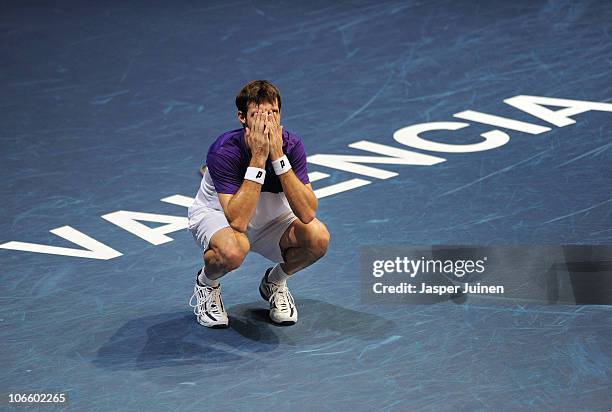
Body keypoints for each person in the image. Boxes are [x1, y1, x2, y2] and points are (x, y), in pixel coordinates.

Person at [187, 80, 330, 328]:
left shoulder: (292, 145)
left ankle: (275, 281)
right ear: (242, 118)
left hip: (273, 218)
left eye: (273, 113)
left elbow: (307, 213)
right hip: (221, 216)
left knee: (318, 237)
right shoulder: (224, 150)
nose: (267, 122)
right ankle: (206, 284)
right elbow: (238, 221)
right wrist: (259, 156)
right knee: (233, 250)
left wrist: (278, 156)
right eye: (258, 115)